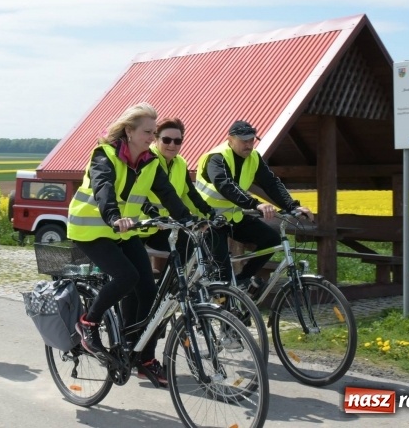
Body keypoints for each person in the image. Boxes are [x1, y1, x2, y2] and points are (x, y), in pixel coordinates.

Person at [68, 103, 193, 387]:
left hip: (124, 232)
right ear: (129, 131)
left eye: (153, 132)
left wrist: (189, 220)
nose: (152, 137)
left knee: (149, 291)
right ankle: (88, 322)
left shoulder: (149, 162)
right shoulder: (105, 155)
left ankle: (142, 357)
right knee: (127, 277)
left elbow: (168, 195)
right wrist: (114, 217)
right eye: (148, 132)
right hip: (91, 230)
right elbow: (104, 189)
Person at [195, 119, 314, 293]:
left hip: (233, 217)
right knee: (223, 275)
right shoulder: (216, 157)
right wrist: (255, 204)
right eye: (244, 140)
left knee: (271, 240)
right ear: (230, 139)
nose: (249, 144)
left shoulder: (254, 158)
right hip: (209, 220)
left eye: (251, 140)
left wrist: (292, 206)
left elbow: (271, 183)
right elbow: (225, 185)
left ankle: (243, 280)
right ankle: (222, 304)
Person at [140, 118, 215, 264]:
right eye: (166, 140)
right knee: (137, 272)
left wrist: (209, 214)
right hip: (138, 225)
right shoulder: (146, 158)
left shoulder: (181, 163)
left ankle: (172, 279)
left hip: (163, 227)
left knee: (188, 246)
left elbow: (189, 194)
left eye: (177, 141)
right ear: (156, 139)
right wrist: (153, 215)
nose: (172, 145)